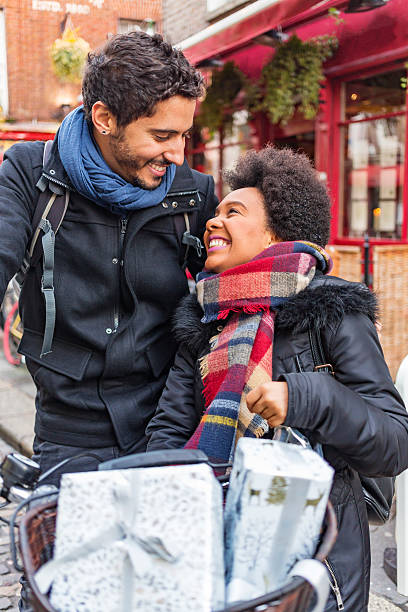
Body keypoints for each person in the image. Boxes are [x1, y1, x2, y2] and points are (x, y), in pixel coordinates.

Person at [146, 146, 408, 611]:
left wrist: (307, 397)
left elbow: (395, 441)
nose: (212, 221)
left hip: (316, 564)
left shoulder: (333, 310)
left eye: (234, 211)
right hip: (214, 551)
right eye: (216, 211)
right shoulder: (202, 322)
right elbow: (170, 428)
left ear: (274, 234)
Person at [0, 31, 217, 484]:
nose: (176, 154)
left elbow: (243, 279)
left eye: (183, 135)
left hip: (169, 422)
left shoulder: (193, 194)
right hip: (67, 430)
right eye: (161, 135)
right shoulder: (29, 173)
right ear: (104, 117)